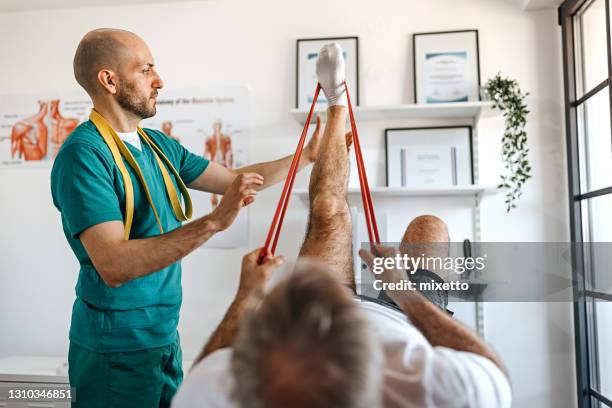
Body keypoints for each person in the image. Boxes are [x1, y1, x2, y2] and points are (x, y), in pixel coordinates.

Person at [172, 43, 512, 408]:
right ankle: (337, 100)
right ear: (369, 373)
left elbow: (205, 370)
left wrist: (247, 294)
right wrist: (404, 293)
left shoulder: (229, 394)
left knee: (328, 210)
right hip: (401, 316)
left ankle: (336, 101)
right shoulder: (430, 390)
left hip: (313, 315)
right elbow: (489, 368)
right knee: (428, 227)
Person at [50, 28, 325, 408]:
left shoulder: (158, 145)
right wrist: (213, 222)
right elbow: (113, 264)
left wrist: (307, 157)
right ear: (109, 80)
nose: (159, 81)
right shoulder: (84, 155)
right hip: (115, 348)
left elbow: (235, 181)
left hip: (164, 336)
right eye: (146, 70)